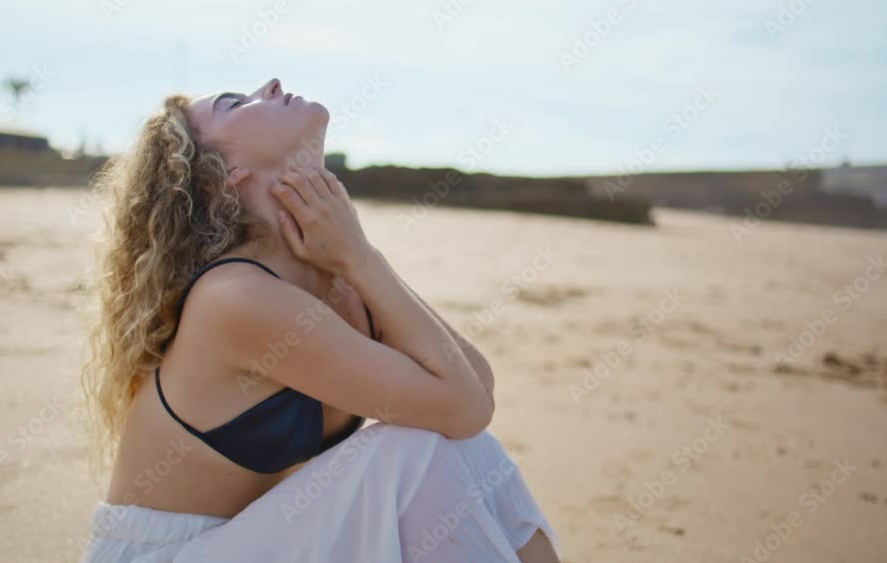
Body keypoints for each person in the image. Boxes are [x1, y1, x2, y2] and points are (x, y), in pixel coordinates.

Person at [79, 77, 561, 562]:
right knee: (418, 455)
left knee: (473, 454)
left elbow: (477, 389)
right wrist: (359, 258)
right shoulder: (236, 297)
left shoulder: (337, 273)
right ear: (222, 174)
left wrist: (359, 257)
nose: (270, 85)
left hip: (261, 542)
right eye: (234, 103)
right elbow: (464, 407)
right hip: (168, 556)